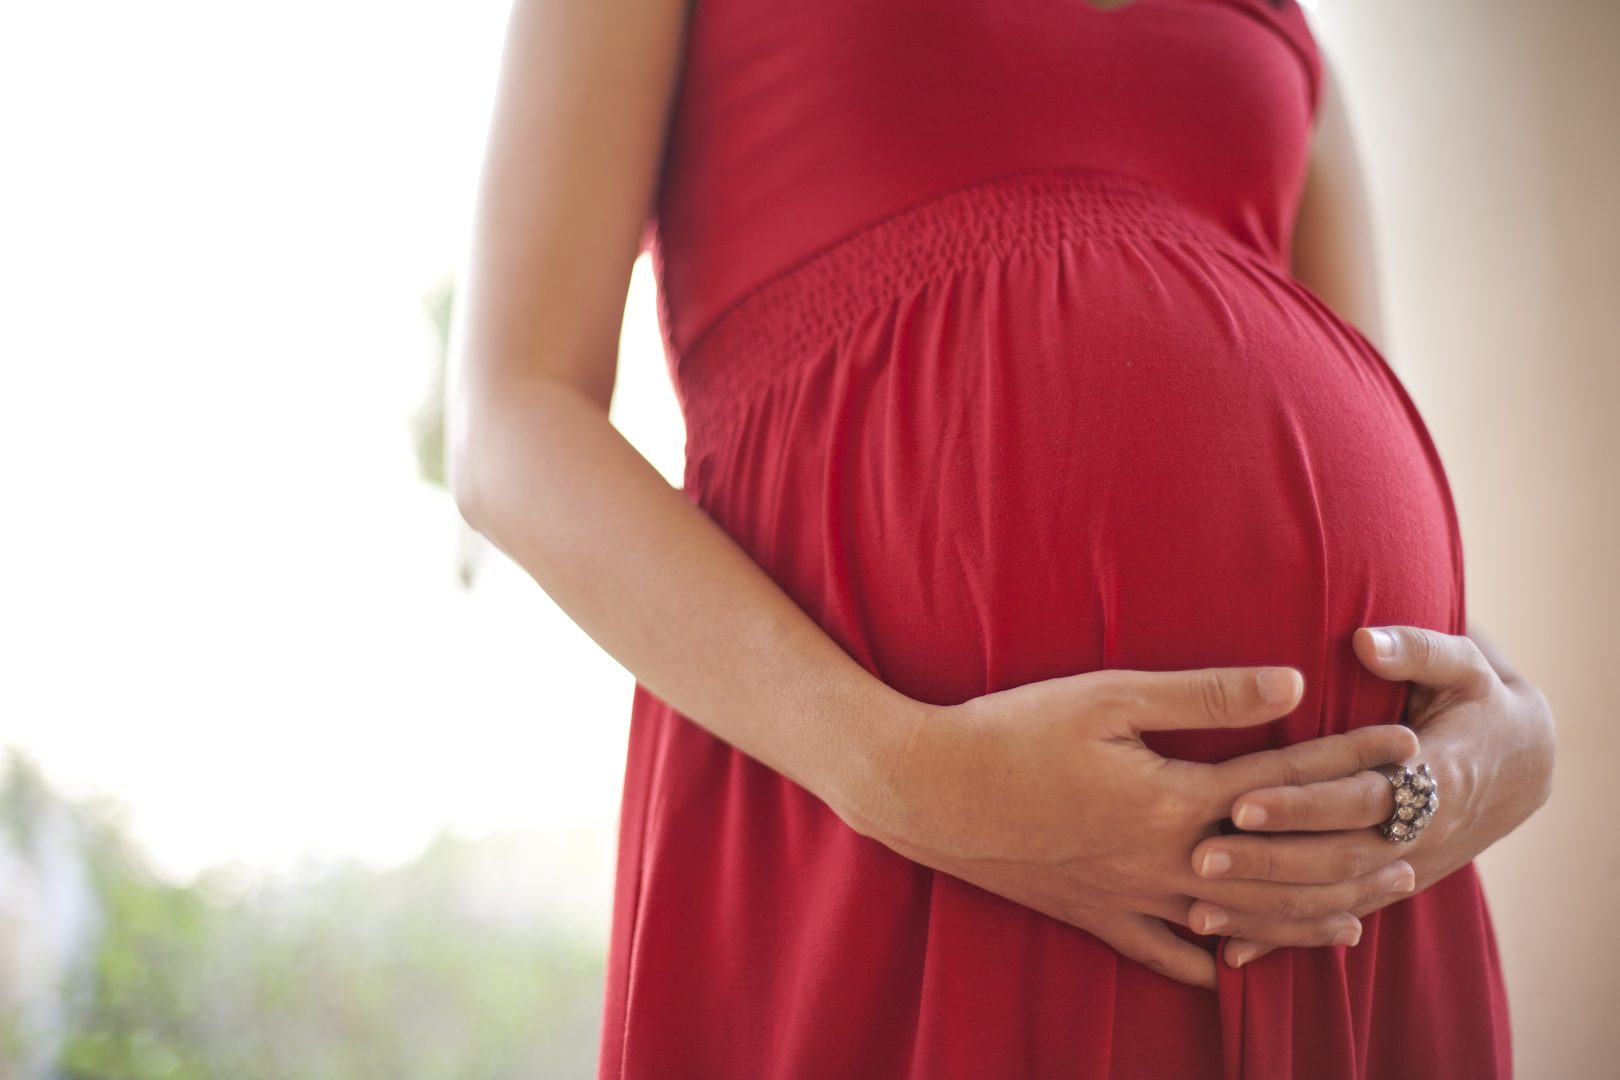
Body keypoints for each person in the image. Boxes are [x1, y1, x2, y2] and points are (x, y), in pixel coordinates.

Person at [446, 0, 1557, 1076]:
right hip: (891, 841)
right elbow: (513, 417)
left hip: (1338, 903)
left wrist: (1504, 726)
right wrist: (905, 774)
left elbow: (1351, 424)